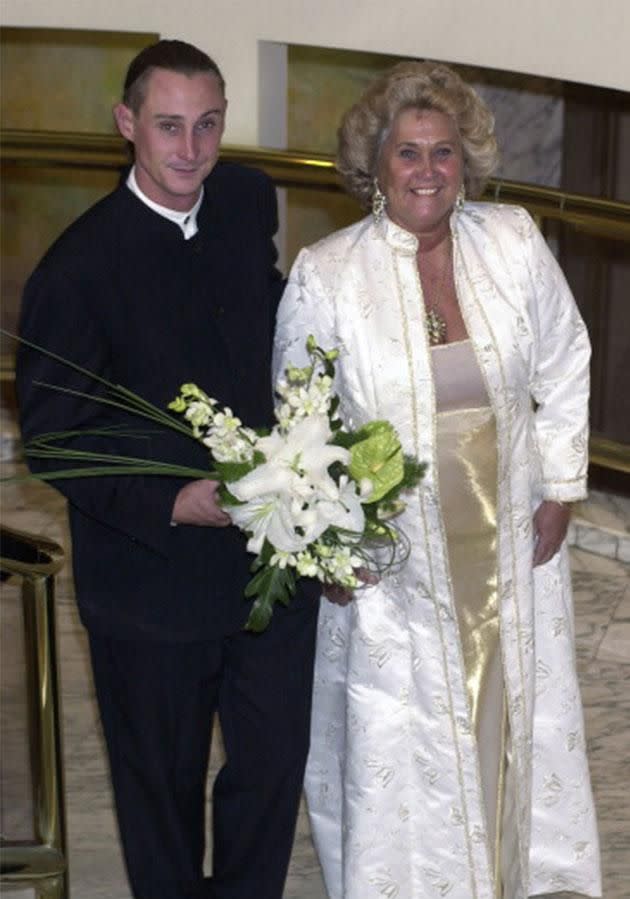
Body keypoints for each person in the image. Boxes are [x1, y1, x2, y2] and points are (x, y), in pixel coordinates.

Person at [274, 61, 602, 899]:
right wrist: (326, 548)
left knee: (512, 720)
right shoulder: (327, 274)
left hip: (510, 545)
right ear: (375, 167)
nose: (428, 170)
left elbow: (566, 357)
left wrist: (562, 484)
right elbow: (299, 425)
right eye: (409, 153)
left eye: (444, 152)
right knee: (408, 740)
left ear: (468, 161)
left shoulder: (514, 241)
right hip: (395, 566)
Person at [16, 39, 318, 899]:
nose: (190, 150)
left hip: (268, 564)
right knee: (162, 803)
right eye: (169, 127)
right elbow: (55, 439)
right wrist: (174, 502)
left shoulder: (244, 199)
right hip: (147, 591)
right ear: (127, 125)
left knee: (269, 770)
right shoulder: (75, 271)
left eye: (208, 125)